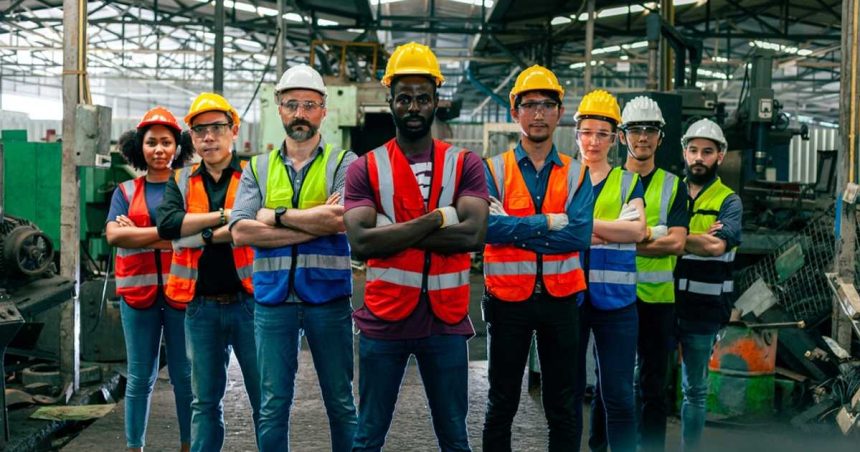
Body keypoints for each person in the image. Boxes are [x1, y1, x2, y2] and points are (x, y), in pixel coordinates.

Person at [343, 41, 488, 452]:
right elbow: (360, 242)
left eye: (422, 98)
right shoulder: (366, 167)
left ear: (436, 102)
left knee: (454, 438)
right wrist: (440, 217)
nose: (413, 107)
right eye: (403, 98)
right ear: (389, 101)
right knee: (368, 436)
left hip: (445, 321)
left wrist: (392, 230)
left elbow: (474, 234)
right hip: (384, 318)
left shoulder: (466, 163)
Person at [230, 64, 358, 452]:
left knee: (341, 403)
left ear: (323, 110)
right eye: (291, 105)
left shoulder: (345, 163)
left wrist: (276, 215)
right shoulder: (258, 166)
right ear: (279, 109)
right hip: (273, 303)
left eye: (309, 105)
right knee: (272, 406)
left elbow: (343, 220)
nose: (300, 113)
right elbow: (239, 231)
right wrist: (313, 221)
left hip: (329, 301)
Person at [481, 65, 593, 452]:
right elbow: (486, 231)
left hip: (561, 302)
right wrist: (545, 223)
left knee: (562, 405)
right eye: (530, 105)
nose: (539, 113)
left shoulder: (578, 174)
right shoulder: (493, 169)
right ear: (515, 112)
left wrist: (516, 229)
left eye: (547, 104)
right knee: (502, 403)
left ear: (560, 112)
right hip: (508, 301)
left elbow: (578, 236)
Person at [156, 93, 261, 452]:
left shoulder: (254, 174)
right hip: (199, 308)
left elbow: (257, 223)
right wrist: (223, 218)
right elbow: (168, 224)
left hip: (250, 304)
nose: (208, 137)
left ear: (233, 130)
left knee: (266, 401)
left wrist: (194, 235)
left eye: (216, 128)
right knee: (204, 403)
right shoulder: (181, 179)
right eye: (200, 130)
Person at [106, 107, 195, 452]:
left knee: (184, 378)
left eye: (166, 142)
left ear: (178, 147)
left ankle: (189, 445)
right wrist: (170, 233)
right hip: (137, 297)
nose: (159, 150)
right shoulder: (125, 192)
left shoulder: (189, 188)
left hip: (181, 293)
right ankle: (134, 447)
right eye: (151, 142)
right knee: (140, 377)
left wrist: (139, 232)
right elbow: (114, 236)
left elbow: (194, 237)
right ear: (138, 147)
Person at [572, 89, 647, 452]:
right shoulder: (563, 179)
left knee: (617, 394)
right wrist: (609, 227)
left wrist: (582, 228)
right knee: (568, 393)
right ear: (577, 135)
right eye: (587, 131)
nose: (594, 140)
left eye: (602, 133)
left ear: (616, 138)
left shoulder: (628, 181)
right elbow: (549, 229)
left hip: (617, 305)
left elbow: (637, 231)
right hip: (568, 299)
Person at [619, 97, 690, 451]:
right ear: (622, 137)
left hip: (658, 302)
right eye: (635, 129)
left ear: (660, 137)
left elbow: (677, 243)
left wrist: (626, 239)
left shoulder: (674, 186)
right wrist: (654, 233)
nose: (642, 137)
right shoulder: (608, 181)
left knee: (652, 386)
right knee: (613, 384)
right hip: (613, 297)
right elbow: (596, 240)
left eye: (650, 130)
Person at [675, 118, 742, 451]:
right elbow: (643, 238)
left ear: (719, 156)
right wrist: (698, 237)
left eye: (707, 151)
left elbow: (717, 247)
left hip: (705, 310)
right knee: (643, 379)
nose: (699, 157)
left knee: (695, 389)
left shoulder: (729, 201)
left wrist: (671, 236)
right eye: (693, 150)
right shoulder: (669, 191)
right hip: (662, 302)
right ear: (684, 153)